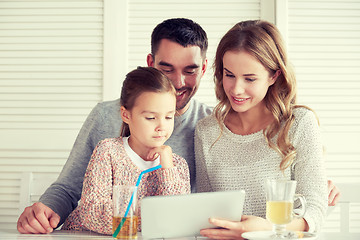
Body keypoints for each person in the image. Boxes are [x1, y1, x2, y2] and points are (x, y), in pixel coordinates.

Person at [17, 18, 339, 234]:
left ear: (203, 71)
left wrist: (311, 192)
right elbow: (70, 186)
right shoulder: (109, 117)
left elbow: (300, 196)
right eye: (166, 68)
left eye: (190, 70)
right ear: (150, 64)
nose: (178, 82)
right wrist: (46, 207)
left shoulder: (208, 122)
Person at [195, 20, 328, 239]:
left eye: (249, 78)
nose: (236, 89)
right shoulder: (206, 131)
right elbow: (206, 211)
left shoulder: (300, 123)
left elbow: (315, 211)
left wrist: (268, 229)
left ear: (274, 76)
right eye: (229, 75)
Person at [60, 67, 190, 234]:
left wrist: (168, 169)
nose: (161, 126)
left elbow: (177, 220)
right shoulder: (108, 152)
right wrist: (156, 216)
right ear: (126, 115)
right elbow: (92, 213)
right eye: (151, 118)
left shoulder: (176, 166)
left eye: (169, 117)